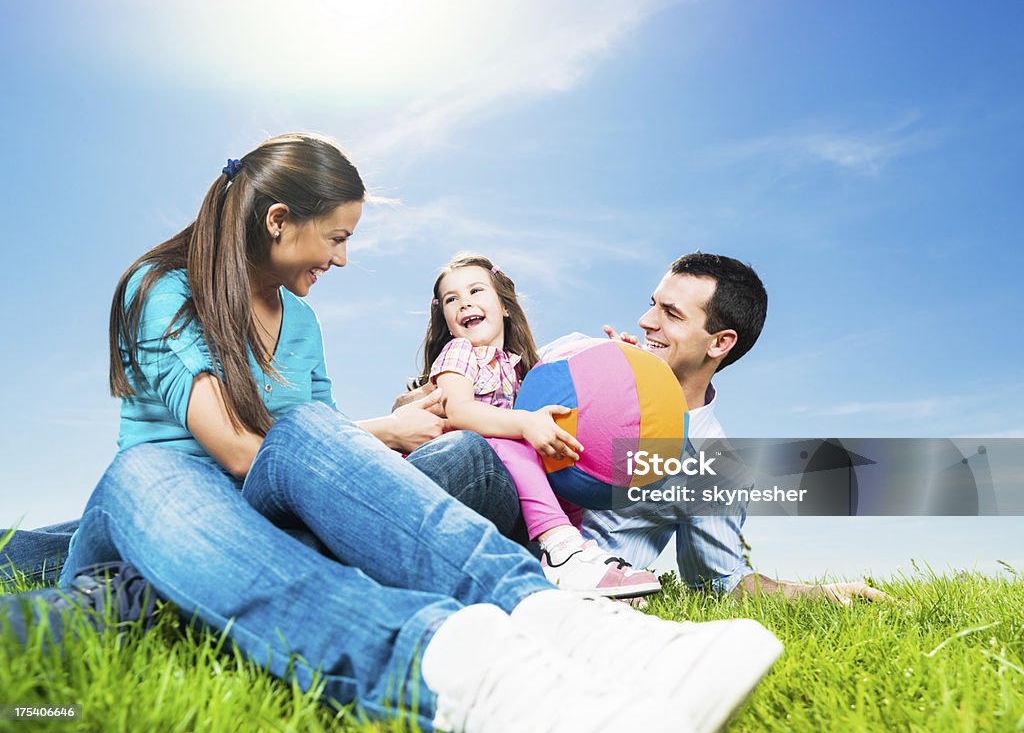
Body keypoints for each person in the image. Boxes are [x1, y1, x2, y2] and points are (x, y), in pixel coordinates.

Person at [6, 133, 782, 732]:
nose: (344, 259)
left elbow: (309, 444)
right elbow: (240, 451)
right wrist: (392, 429)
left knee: (316, 428)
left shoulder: (301, 322)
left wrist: (380, 437)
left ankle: (557, 622)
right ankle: (466, 675)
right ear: (279, 221)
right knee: (157, 472)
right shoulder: (163, 290)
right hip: (151, 508)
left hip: (251, 516)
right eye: (337, 239)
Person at [589, 253, 887, 604]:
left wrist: (824, 594)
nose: (645, 321)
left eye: (671, 314)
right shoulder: (590, 368)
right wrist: (596, 376)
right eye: (652, 305)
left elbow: (722, 582)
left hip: (579, 589)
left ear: (719, 343)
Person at [415, 252, 659, 598]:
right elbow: (459, 412)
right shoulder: (459, 352)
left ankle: (572, 557)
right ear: (445, 318)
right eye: (452, 299)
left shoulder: (521, 370)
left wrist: (618, 361)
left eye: (475, 291)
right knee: (516, 444)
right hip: (472, 452)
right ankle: (561, 546)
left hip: (508, 479)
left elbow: (574, 388)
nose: (464, 303)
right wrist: (525, 423)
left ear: (505, 306)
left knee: (561, 458)